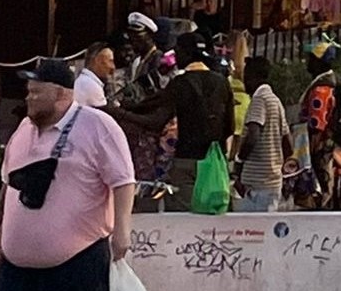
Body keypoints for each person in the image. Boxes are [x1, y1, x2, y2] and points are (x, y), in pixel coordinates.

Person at [0, 59, 133, 291]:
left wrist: (122, 231)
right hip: (15, 270)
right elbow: (8, 182)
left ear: (61, 94)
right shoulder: (24, 129)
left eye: (36, 92)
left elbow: (123, 181)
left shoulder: (98, 126)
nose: (28, 98)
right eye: (29, 92)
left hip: (77, 264)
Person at [119, 32, 234, 212]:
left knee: (184, 218)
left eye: (178, 52)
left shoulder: (181, 83)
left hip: (186, 162)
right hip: (215, 166)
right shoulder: (222, 83)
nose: (175, 57)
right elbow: (229, 127)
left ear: (186, 54)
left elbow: (156, 120)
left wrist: (119, 113)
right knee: (213, 219)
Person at [297, 38, 341, 210]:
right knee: (337, 191)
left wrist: (308, 152)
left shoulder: (321, 89)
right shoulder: (339, 82)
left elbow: (317, 124)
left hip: (325, 148)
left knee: (324, 192)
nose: (307, 63)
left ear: (319, 62)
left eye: (311, 58)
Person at [233, 56, 290, 213]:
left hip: (257, 185)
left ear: (253, 77)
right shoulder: (275, 101)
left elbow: (253, 136)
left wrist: (239, 162)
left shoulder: (259, 100)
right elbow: (286, 139)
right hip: (273, 180)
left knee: (252, 232)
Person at [74, 43, 113, 109]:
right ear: (98, 61)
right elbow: (106, 113)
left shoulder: (86, 81)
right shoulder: (89, 84)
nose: (113, 67)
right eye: (110, 61)